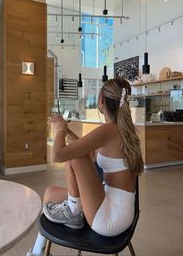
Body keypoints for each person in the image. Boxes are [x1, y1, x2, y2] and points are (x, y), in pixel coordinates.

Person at [27, 77, 143, 256]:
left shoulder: (109, 130)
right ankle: (37, 251)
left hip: (112, 218)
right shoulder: (117, 130)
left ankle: (73, 212)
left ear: (101, 101)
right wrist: (69, 131)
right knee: (50, 192)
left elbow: (58, 155)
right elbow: (90, 155)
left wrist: (60, 130)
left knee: (75, 157)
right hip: (108, 199)